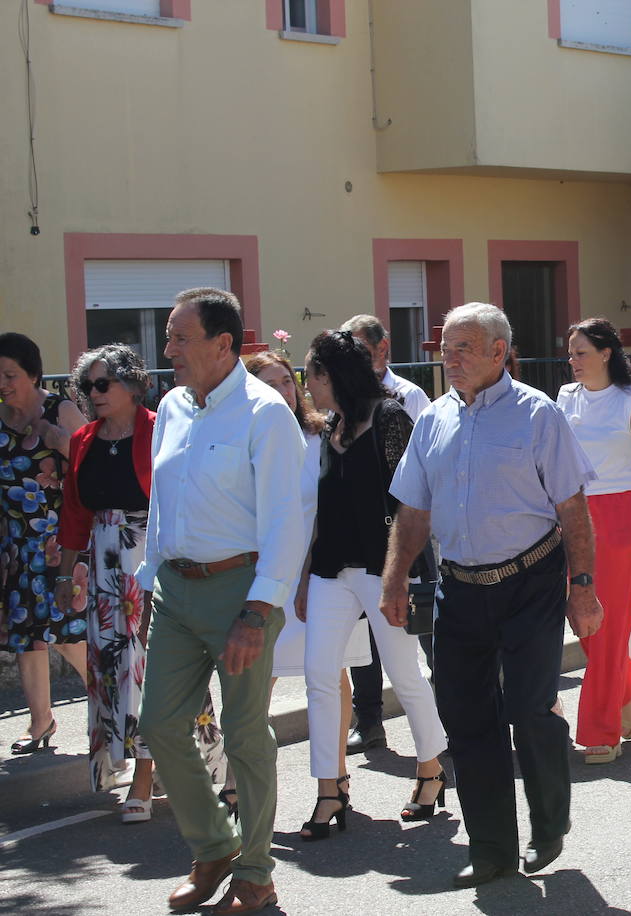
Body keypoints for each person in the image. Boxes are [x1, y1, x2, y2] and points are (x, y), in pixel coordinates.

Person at [382, 302, 602, 889]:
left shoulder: (538, 414)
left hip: (531, 581)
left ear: (499, 352)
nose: (450, 360)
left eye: (463, 349)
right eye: (445, 350)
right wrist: (394, 577)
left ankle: (549, 821)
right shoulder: (434, 419)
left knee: (530, 708)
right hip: (459, 587)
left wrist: (582, 588)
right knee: (466, 716)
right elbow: (413, 509)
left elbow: (572, 509)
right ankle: (492, 850)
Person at [135, 287, 306, 915]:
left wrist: (257, 613)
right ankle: (214, 846)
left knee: (243, 734)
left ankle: (256, 875)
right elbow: (162, 503)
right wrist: (149, 577)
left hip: (241, 591)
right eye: (169, 337)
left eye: (181, 338)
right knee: (158, 725)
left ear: (223, 344)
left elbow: (287, 521)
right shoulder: (173, 406)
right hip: (174, 590)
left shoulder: (265, 412)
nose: (169, 350)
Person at [54, 346, 224, 822]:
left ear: (132, 385)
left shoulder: (159, 428)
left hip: (153, 558)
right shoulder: (83, 439)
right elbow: (74, 511)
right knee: (113, 668)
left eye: (103, 383)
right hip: (105, 568)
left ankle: (146, 773)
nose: (94, 393)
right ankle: (144, 764)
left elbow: (182, 497)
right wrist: (66, 573)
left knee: (153, 666)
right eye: (87, 385)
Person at [296, 331, 447, 840]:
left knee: (405, 675)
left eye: (310, 374)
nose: (306, 385)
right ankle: (329, 789)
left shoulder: (390, 418)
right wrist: (304, 575)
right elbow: (323, 511)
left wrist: (400, 575)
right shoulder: (330, 428)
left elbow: (414, 500)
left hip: (384, 570)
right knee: (319, 674)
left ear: (331, 375)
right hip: (330, 569)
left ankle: (431, 768)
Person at [237, 350, 371, 829]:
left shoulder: (320, 436)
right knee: (256, 677)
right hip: (263, 573)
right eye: (269, 383)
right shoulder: (246, 437)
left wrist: (311, 569)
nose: (282, 391)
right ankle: (238, 779)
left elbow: (332, 509)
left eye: (286, 382)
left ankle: (335, 780)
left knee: (331, 675)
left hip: (320, 569)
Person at [557, 318, 631, 760]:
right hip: (572, 515)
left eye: (581, 352)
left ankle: (601, 731)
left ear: (606, 354)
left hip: (622, 515)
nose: (573, 361)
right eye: (570, 353)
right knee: (578, 615)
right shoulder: (565, 397)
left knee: (606, 627)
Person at [339, 313, 432, 755]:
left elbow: (421, 467)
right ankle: (370, 720)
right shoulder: (341, 404)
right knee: (365, 640)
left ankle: (445, 724)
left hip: (403, 534)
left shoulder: (406, 397)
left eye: (361, 349)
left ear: (382, 349)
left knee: (423, 629)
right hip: (360, 541)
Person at [0, 332, 87, 754]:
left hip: (60, 544)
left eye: (10, 375)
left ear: (33, 374)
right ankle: (40, 722)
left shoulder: (60, 410)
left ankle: (118, 709)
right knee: (27, 637)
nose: (3, 384)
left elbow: (92, 466)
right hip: (16, 545)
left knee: (70, 635)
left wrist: (58, 440)